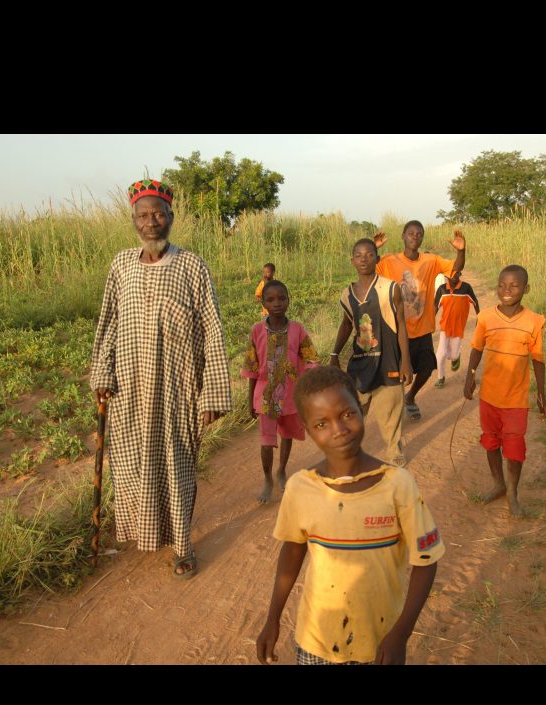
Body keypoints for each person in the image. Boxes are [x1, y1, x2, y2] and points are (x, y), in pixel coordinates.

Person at [90, 178, 232, 579]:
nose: (150, 222)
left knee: (178, 466)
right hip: (130, 390)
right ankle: (144, 532)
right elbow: (109, 323)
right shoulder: (120, 265)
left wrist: (213, 394)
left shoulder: (192, 265)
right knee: (133, 464)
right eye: (142, 215)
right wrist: (102, 372)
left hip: (177, 388)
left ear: (171, 217)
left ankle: (183, 546)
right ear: (133, 220)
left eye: (158, 214)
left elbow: (212, 329)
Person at [255, 366, 444, 665]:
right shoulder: (301, 488)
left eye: (347, 414)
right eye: (321, 424)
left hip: (379, 644)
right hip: (315, 642)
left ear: (361, 408)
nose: (339, 430)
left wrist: (401, 634)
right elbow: (292, 551)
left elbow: (426, 560)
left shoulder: (397, 485)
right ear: (306, 429)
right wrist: (273, 618)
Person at [463, 265, 546, 517]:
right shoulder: (486, 317)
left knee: (514, 449)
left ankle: (512, 492)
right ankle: (498, 484)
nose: (506, 290)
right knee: (490, 442)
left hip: (516, 400)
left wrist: (541, 393)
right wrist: (470, 376)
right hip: (489, 396)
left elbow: (538, 359)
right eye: (502, 285)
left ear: (526, 289)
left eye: (514, 285)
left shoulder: (534, 321)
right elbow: (477, 348)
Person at [329, 238, 412, 467]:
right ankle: (350, 452)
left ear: (377, 257)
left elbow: (402, 324)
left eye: (369, 254)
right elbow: (347, 325)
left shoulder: (390, 288)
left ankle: (394, 451)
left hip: (388, 361)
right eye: (359, 255)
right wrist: (334, 355)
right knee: (352, 411)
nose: (364, 259)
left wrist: (406, 361)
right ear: (352, 261)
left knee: (391, 411)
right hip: (360, 363)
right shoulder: (347, 295)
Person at [376, 221, 466, 420]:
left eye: (419, 233)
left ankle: (410, 397)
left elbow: (455, 269)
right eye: (411, 233)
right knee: (396, 372)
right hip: (397, 329)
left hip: (422, 328)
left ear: (422, 237)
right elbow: (366, 267)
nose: (415, 236)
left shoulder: (430, 260)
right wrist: (374, 249)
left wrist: (461, 252)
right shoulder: (390, 261)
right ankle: (395, 406)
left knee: (426, 368)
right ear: (403, 236)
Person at [241, 279, 319, 504]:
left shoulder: (297, 329)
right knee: (266, 442)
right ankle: (267, 479)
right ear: (263, 303)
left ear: (289, 300)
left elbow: (310, 356)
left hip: (291, 397)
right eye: (271, 299)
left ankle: (282, 469)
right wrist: (250, 401)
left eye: (282, 298)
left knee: (286, 436)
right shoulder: (257, 331)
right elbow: (252, 368)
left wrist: (310, 386)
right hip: (265, 399)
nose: (277, 303)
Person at [433, 274, 480, 388]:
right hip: (445, 326)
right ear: (446, 276)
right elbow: (435, 307)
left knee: (453, 356)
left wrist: (479, 319)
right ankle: (441, 377)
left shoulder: (466, 288)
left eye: (456, 273)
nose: (454, 276)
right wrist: (429, 322)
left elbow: (475, 302)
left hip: (458, 327)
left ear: (460, 274)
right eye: (451, 274)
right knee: (440, 354)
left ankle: (456, 356)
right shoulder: (442, 289)